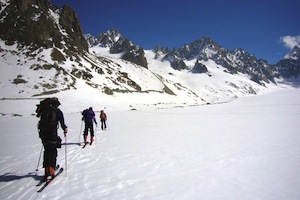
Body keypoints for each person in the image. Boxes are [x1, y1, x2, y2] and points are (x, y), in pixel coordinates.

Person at [37, 97, 68, 180]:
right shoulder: (57, 112)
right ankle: (51, 170)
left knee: (46, 151)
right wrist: (65, 129)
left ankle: (47, 169)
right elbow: (62, 124)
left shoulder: (44, 110)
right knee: (53, 151)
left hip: (43, 134)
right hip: (52, 134)